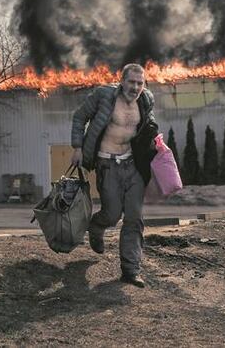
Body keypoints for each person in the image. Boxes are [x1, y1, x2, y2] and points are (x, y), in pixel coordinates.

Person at [70, 62, 159, 287]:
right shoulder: (103, 96)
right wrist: (78, 148)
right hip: (107, 164)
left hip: (132, 166)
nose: (135, 87)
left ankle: (130, 270)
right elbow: (79, 117)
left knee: (134, 217)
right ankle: (97, 226)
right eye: (131, 82)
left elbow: (148, 125)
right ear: (121, 81)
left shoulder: (146, 99)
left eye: (140, 83)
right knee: (112, 215)